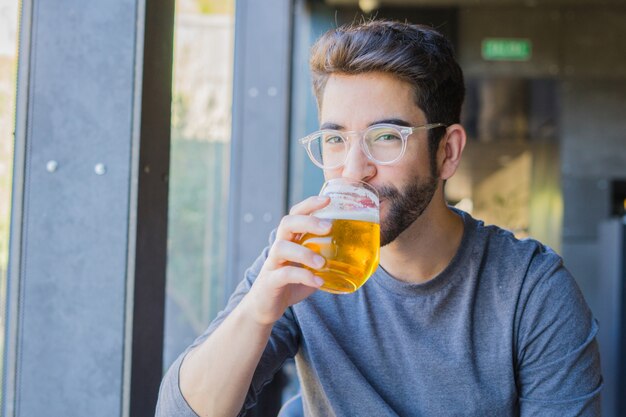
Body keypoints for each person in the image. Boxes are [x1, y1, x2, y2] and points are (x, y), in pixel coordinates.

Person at [155, 20, 602, 417]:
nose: (353, 169)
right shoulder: (304, 256)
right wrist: (258, 312)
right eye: (334, 140)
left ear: (447, 151)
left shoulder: (532, 289)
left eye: (386, 137)